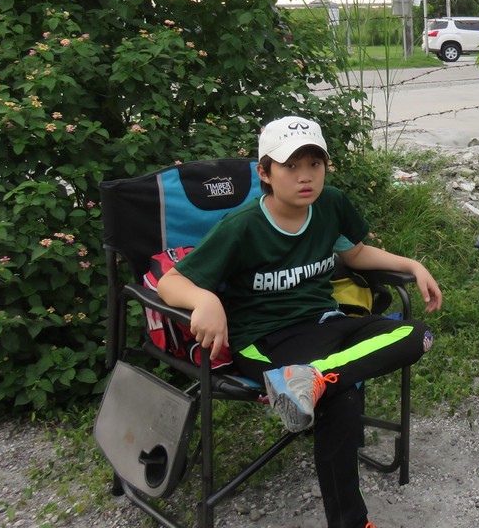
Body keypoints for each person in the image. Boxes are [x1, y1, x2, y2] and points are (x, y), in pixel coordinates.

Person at [158, 116, 442, 528]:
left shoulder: (331, 205)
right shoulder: (242, 227)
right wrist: (205, 299)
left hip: (324, 324)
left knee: (417, 335)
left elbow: (355, 254)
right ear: (265, 173)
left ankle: (315, 378)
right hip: (264, 340)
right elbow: (171, 282)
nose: (305, 176)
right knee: (342, 399)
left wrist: (412, 264)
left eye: (315, 164)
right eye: (290, 166)